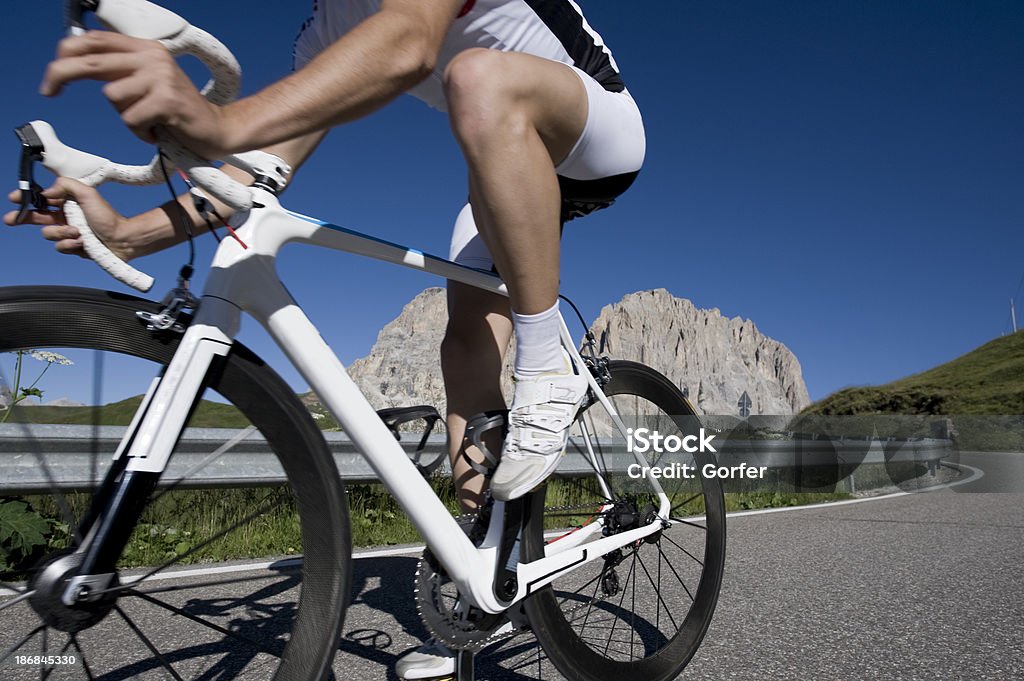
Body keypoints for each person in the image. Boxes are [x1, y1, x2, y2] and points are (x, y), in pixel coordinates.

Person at [6, 1, 644, 676]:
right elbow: (254, 175)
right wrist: (132, 231)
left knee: (477, 76)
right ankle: (487, 581)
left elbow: (409, 42)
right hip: (503, 163)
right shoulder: (324, 28)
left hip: (594, 133)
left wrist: (219, 121)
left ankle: (549, 362)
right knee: (463, 346)